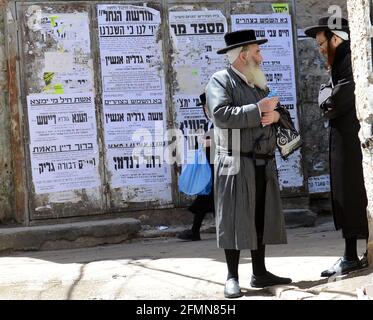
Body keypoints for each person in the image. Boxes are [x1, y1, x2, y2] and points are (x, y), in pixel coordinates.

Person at [206, 29, 292, 298]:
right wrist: (259, 111)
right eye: (257, 52)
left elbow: (278, 109)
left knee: (259, 217)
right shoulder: (219, 81)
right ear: (243, 56)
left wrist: (276, 116)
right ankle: (232, 276)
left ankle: (259, 272)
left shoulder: (258, 82)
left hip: (262, 162)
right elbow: (221, 115)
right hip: (234, 162)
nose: (261, 57)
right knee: (234, 219)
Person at [305, 16, 369, 277]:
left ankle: (351, 256)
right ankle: (351, 253)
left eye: (322, 44)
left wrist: (327, 94)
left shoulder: (351, 59)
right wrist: (327, 93)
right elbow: (328, 96)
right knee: (346, 194)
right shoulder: (339, 62)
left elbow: (336, 99)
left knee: (353, 194)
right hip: (343, 139)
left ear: (336, 38)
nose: (320, 50)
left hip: (353, 141)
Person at [177, 93, 215, 241]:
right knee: (207, 200)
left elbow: (231, 140)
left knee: (210, 201)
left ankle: (196, 232)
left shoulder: (221, 122)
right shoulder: (208, 124)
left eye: (207, 106)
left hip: (219, 169)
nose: (205, 109)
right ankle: (195, 232)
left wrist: (212, 143)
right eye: (204, 107)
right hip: (208, 170)